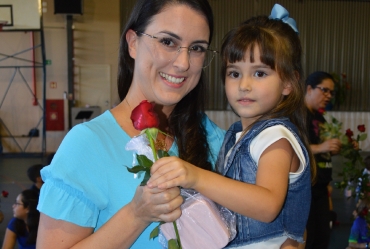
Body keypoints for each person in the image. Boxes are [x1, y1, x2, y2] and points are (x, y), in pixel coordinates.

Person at [36, 0, 225, 248]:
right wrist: (135, 215)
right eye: (168, 42)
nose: (183, 63)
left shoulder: (214, 137)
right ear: (133, 43)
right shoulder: (88, 145)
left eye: (197, 48)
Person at [148, 4, 315, 248]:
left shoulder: (276, 138)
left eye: (259, 74)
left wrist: (195, 176)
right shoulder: (237, 134)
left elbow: (267, 206)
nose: (244, 85)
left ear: (289, 83)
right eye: (234, 73)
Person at [304, 71, 342, 249]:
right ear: (309, 89)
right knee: (308, 238)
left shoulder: (319, 118)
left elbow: (321, 149)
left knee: (322, 238)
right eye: (324, 90)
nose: (328, 96)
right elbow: (291, 147)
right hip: (305, 189)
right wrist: (321, 147)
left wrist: (333, 149)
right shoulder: (297, 115)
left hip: (320, 186)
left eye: (331, 92)